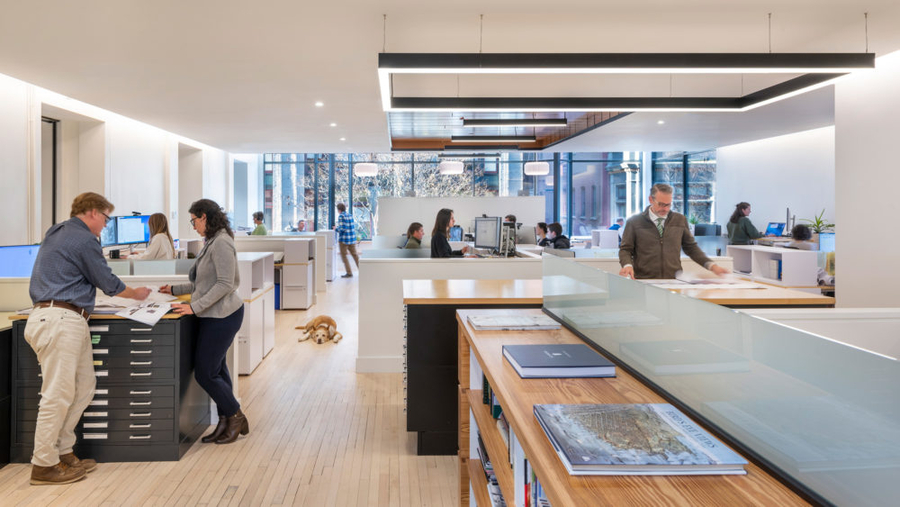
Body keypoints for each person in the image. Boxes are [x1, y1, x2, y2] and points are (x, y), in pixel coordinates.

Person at [26, 192, 151, 485]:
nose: (106, 226)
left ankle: (63, 452)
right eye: (106, 219)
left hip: (64, 318)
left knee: (83, 388)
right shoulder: (84, 238)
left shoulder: (57, 231)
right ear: (93, 212)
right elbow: (107, 281)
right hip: (60, 320)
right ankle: (43, 465)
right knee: (57, 395)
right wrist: (136, 294)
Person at [160, 199, 248, 445]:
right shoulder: (211, 241)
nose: (193, 226)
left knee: (205, 373)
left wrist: (193, 307)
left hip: (224, 316)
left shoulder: (221, 243)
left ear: (204, 217)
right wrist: (174, 289)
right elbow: (203, 283)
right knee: (217, 369)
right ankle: (225, 420)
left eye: (194, 221)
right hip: (212, 315)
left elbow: (225, 284)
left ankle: (235, 416)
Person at [619, 183, 729, 279]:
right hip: (644, 280)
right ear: (651, 200)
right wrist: (627, 265)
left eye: (668, 204)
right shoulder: (634, 222)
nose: (665, 209)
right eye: (661, 204)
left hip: (674, 280)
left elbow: (691, 248)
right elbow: (625, 249)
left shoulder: (680, 220)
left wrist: (712, 266)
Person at [335, 203, 359, 277]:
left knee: (344, 256)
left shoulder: (341, 216)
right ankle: (363, 271)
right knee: (355, 256)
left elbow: (343, 228)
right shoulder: (350, 215)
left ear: (339, 210)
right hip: (352, 239)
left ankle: (349, 273)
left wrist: (335, 229)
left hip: (344, 240)